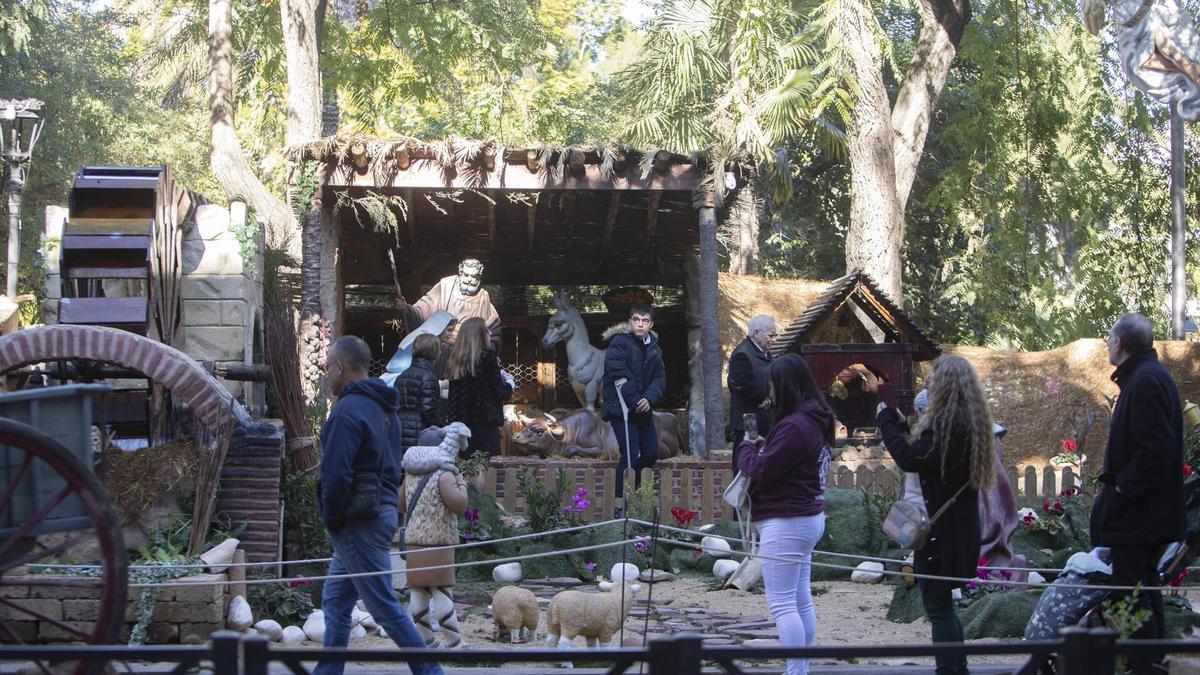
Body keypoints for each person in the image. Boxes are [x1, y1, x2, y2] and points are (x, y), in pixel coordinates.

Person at [315, 336, 442, 675]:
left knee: (384, 605)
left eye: (329, 366)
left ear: (340, 367)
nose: (326, 372)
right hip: (378, 511)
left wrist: (331, 517)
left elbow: (335, 474)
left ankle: (431, 672)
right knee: (336, 600)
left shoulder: (346, 411)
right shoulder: (384, 409)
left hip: (357, 519)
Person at [871, 355, 995, 675]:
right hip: (957, 528)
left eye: (931, 383)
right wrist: (899, 421)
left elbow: (910, 457)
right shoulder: (965, 423)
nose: (927, 387)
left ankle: (949, 671)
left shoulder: (947, 427)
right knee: (943, 606)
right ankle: (958, 669)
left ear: (944, 387)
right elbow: (921, 450)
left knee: (938, 608)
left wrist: (885, 419)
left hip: (940, 532)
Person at [1092, 313, 1184, 674]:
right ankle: (1153, 662)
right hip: (1147, 513)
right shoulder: (1147, 376)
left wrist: (1121, 488)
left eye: (1109, 338)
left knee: (1129, 592)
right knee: (1144, 587)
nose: (1106, 345)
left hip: (1139, 514)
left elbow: (1155, 450)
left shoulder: (1144, 381)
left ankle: (1144, 665)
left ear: (1120, 344)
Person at [734, 354, 832, 675]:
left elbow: (762, 470)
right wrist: (768, 447)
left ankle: (796, 671)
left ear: (786, 385)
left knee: (782, 603)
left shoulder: (796, 425)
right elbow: (785, 461)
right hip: (806, 516)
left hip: (787, 519)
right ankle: (800, 669)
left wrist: (747, 449)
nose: (771, 393)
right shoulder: (814, 419)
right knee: (800, 599)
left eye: (773, 386)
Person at [399, 423, 471, 649]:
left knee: (418, 591)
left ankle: (426, 640)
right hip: (438, 541)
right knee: (442, 590)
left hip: (414, 541)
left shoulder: (410, 472)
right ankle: (453, 641)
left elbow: (401, 504)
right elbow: (459, 504)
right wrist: (461, 483)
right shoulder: (444, 473)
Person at [601, 304, 667, 505]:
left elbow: (659, 377)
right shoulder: (619, 343)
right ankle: (621, 503)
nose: (640, 323)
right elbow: (617, 372)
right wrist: (636, 400)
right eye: (636, 319)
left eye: (645, 320)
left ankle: (634, 492)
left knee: (651, 453)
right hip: (621, 409)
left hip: (643, 408)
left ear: (651, 324)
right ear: (630, 322)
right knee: (629, 454)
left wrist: (648, 398)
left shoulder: (654, 348)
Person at [447, 317, 515, 456]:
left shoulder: (456, 361)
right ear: (478, 334)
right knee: (484, 470)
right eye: (486, 330)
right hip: (484, 426)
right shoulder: (487, 356)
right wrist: (510, 384)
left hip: (461, 429)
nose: (490, 333)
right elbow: (499, 392)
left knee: (466, 469)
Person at [403, 258, 501, 347]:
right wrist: (408, 309)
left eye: (473, 276)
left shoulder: (483, 297)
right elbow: (425, 308)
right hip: (443, 349)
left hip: (467, 352)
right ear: (460, 273)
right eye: (466, 275)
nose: (469, 280)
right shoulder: (446, 286)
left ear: (479, 278)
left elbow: (493, 329)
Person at [728, 314, 776, 470]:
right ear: (756, 333)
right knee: (745, 464)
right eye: (771, 335)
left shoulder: (765, 353)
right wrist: (764, 397)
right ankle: (741, 495)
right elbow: (739, 385)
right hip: (748, 421)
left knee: (763, 462)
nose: (774, 339)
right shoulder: (742, 354)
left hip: (765, 419)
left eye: (775, 335)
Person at [394, 333, 443, 453]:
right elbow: (428, 410)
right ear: (434, 352)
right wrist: (442, 429)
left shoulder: (401, 376)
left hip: (399, 431)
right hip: (419, 433)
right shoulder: (428, 377)